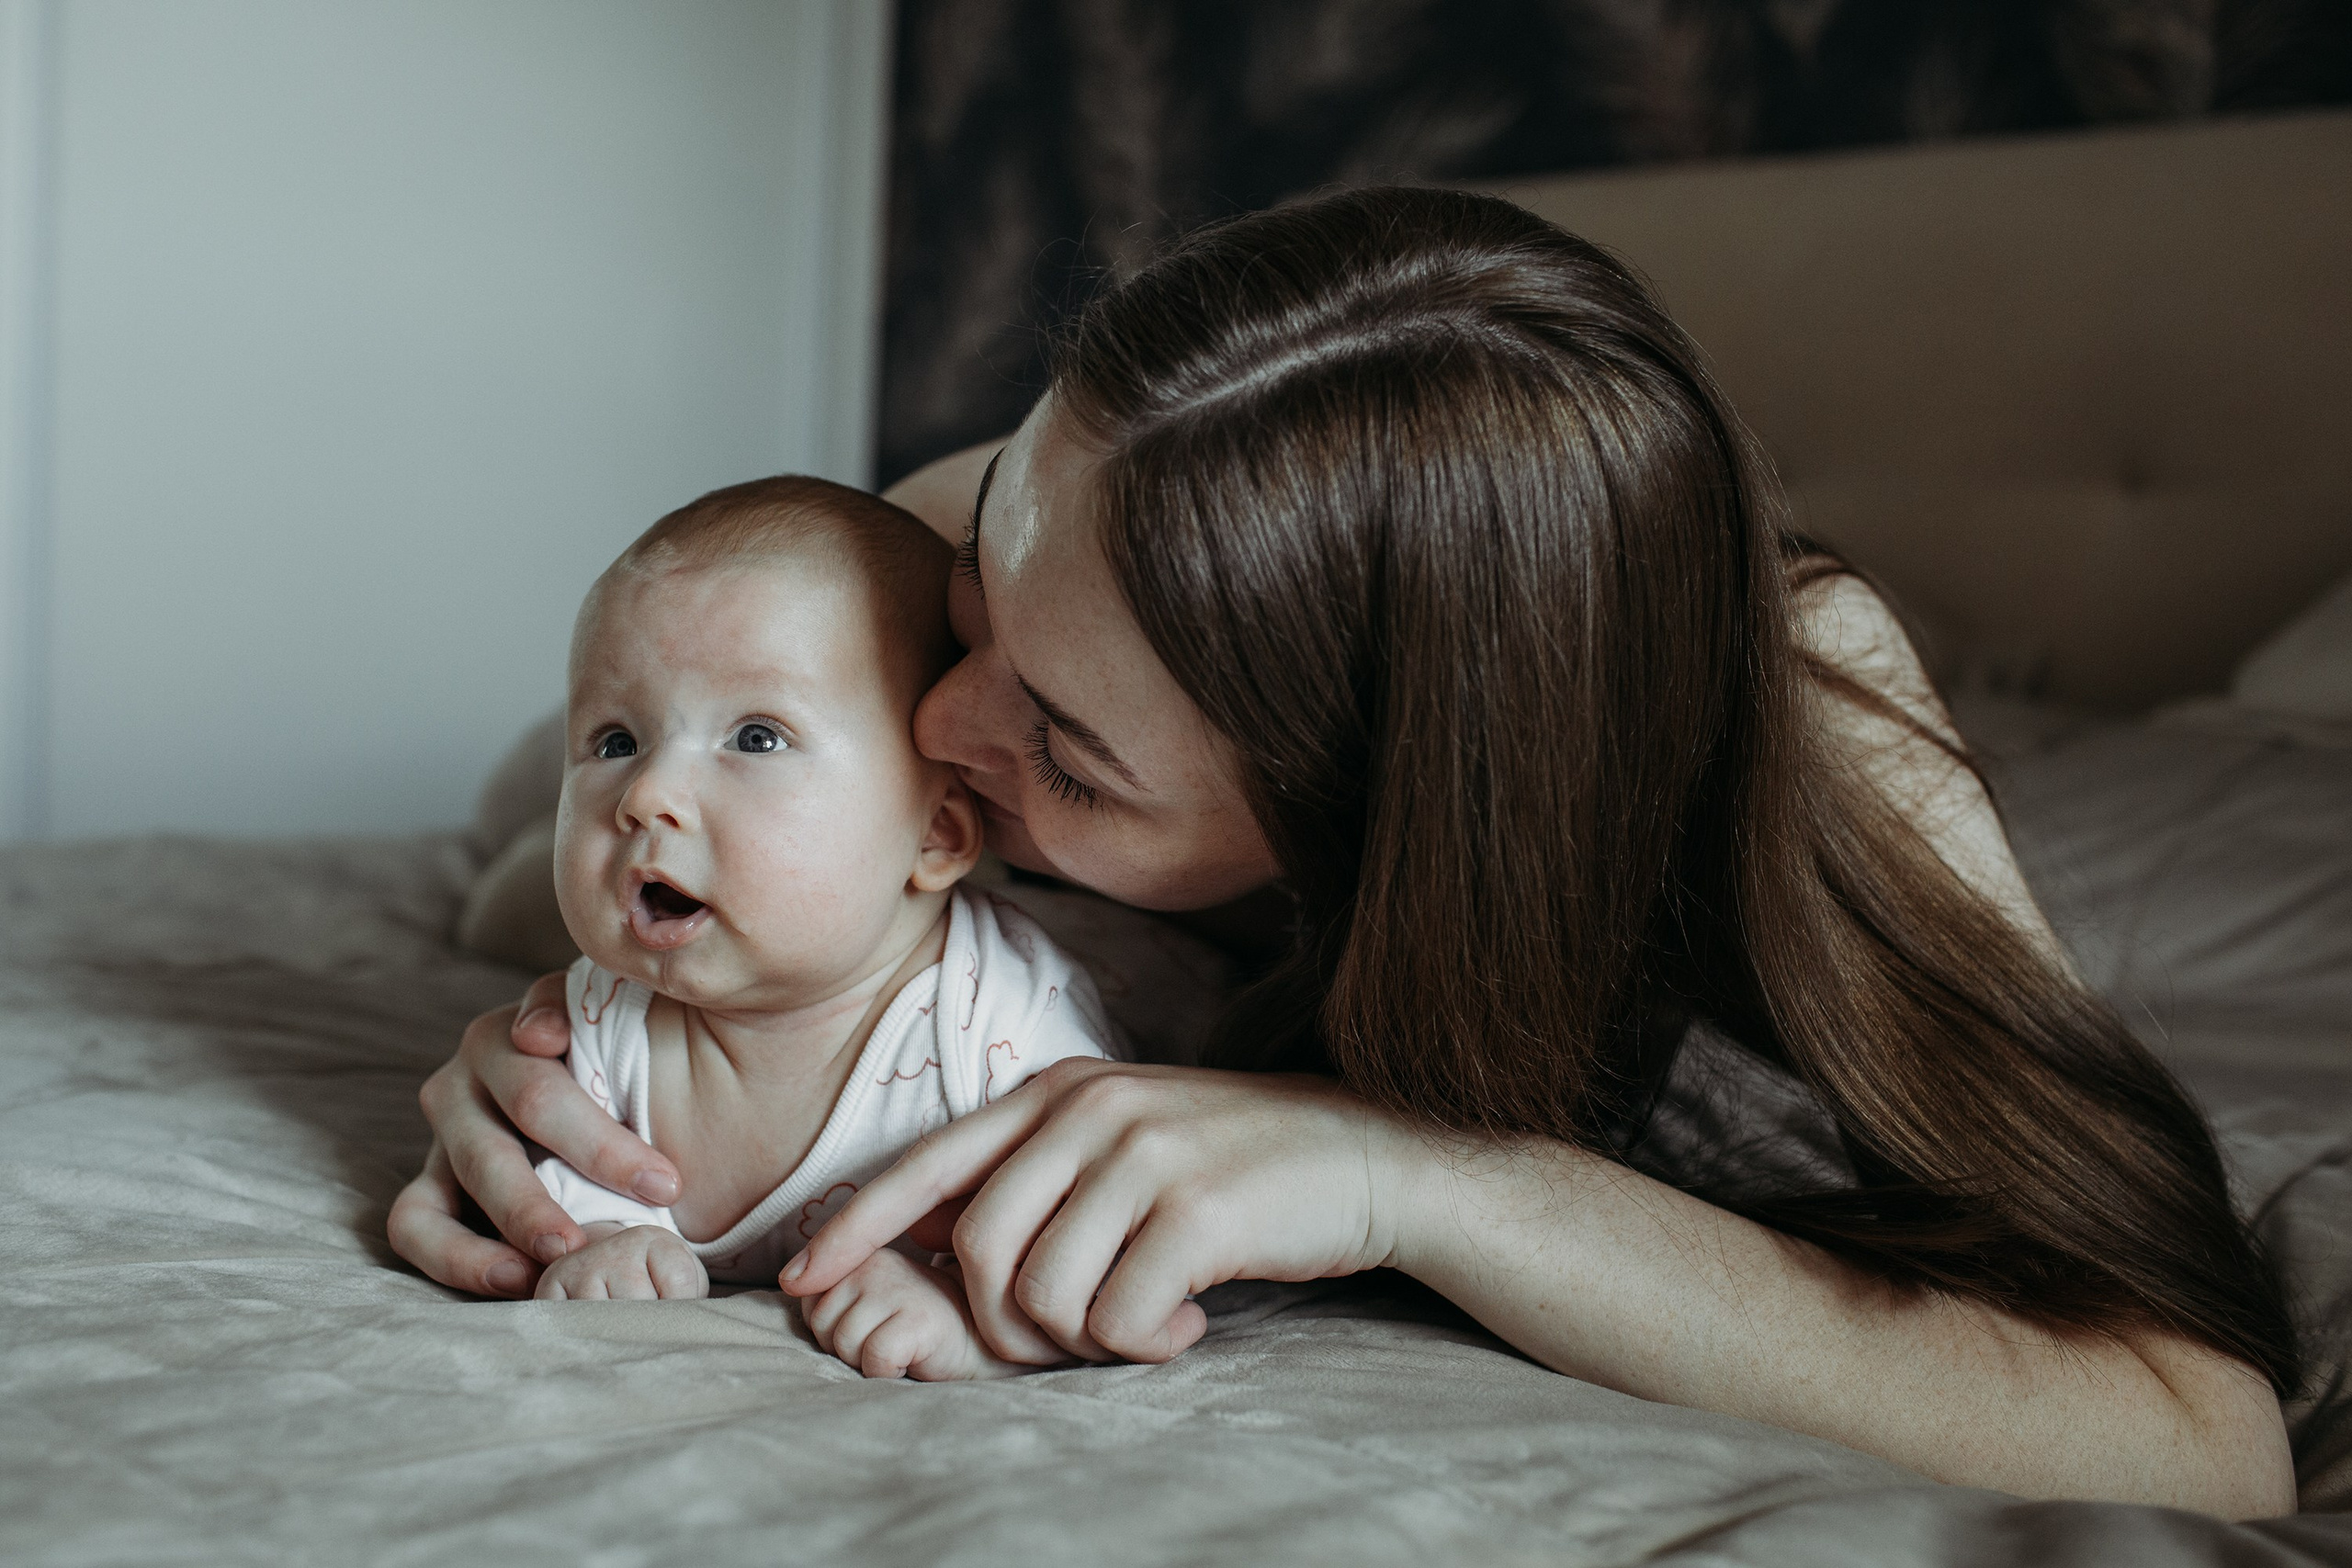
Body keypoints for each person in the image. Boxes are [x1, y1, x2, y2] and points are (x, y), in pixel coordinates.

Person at [390, 188, 2298, 1517]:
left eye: (1060, 747)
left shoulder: (1811, 699)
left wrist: (1418, 1174)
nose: (942, 737)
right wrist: (582, 1030)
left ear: (1377, 825)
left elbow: (2200, 1443)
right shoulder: (1018, 537)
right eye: (972, 615)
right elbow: (557, 857)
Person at [508, 475, 1120, 1379]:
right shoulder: (601, 1020)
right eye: (613, 742)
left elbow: (1095, 1255)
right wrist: (602, 1237)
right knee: (498, 908)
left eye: (756, 737)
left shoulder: (1003, 1033)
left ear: (937, 833)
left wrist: (965, 1314)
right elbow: (548, 1187)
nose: (646, 796)